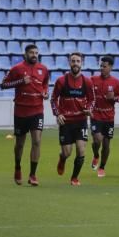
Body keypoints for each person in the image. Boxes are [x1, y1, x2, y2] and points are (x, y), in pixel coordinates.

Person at [0, 43, 50, 186]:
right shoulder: (17, 69)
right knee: (20, 144)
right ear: (25, 54)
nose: (34, 55)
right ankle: (17, 168)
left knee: (37, 141)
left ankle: (33, 174)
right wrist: (21, 81)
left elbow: (45, 83)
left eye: (36, 53)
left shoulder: (43, 69)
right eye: (31, 53)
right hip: (21, 111)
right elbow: (3, 85)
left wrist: (45, 92)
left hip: (37, 111)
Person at [51, 52, 95, 186]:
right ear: (69, 63)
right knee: (67, 152)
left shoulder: (87, 81)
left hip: (81, 121)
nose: (75, 63)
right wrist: (58, 114)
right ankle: (62, 158)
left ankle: (74, 178)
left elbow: (92, 99)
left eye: (78, 61)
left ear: (82, 63)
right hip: (66, 122)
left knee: (81, 150)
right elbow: (53, 99)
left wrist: (89, 109)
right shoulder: (61, 81)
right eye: (73, 61)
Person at [90, 56, 119, 178]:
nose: (102, 68)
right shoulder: (93, 80)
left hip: (109, 117)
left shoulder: (116, 82)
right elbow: (87, 94)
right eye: (101, 66)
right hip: (95, 115)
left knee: (106, 145)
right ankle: (95, 155)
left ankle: (102, 167)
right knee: (97, 139)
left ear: (110, 67)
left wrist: (114, 98)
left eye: (104, 66)